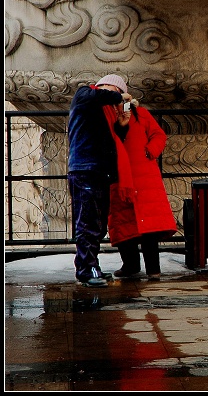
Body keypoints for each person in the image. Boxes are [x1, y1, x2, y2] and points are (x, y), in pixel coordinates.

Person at [68, 74, 133, 287]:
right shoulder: (85, 94)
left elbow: (109, 143)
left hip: (98, 171)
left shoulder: (103, 110)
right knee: (87, 222)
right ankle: (86, 270)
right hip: (85, 169)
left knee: (97, 223)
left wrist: (122, 126)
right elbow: (97, 96)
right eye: (113, 91)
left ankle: (90, 266)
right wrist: (118, 95)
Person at [108, 90, 177, 280]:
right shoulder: (108, 114)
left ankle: (152, 269)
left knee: (149, 228)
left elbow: (158, 135)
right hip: (121, 174)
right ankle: (131, 265)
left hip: (143, 176)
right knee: (124, 222)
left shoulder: (139, 114)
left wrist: (149, 151)